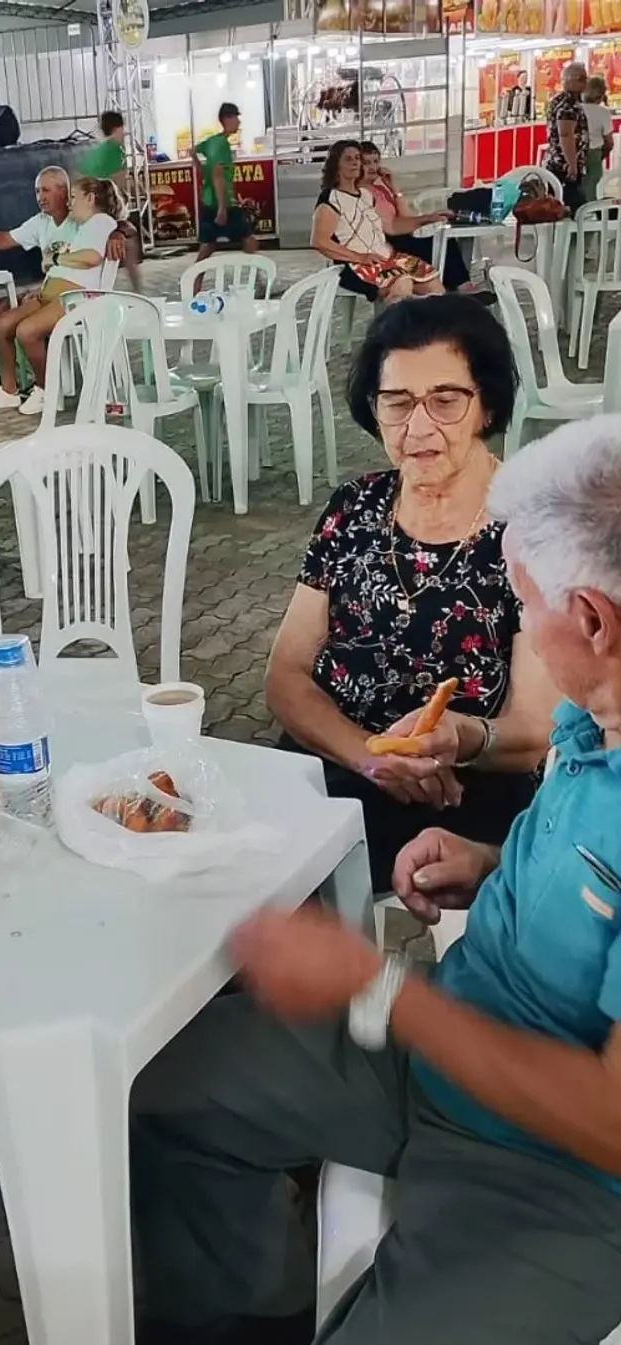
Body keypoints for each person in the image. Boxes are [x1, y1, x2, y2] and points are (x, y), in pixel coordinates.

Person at [132, 414, 621, 1345]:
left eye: (523, 602)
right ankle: (243, 1314)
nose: (515, 620)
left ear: (593, 620)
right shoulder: (595, 712)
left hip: (565, 1174)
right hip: (440, 1046)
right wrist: (488, 864)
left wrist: (376, 988)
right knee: (166, 1088)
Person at [266, 295, 557, 890]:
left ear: (488, 404)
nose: (417, 428)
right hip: (336, 762)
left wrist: (457, 739)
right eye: (396, 403)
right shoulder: (352, 508)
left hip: (460, 789)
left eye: (446, 401)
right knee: (227, 880)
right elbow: (286, 675)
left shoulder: (535, 528)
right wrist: (371, 758)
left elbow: (533, 729)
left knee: (298, 909)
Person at [0, 165, 128, 397]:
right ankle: (8, 389)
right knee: (2, 319)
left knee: (25, 329)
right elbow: (4, 239)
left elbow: (116, 224)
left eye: (45, 191)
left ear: (65, 193)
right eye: (36, 192)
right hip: (49, 291)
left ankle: (46, 387)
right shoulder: (43, 222)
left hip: (74, 296)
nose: (40, 197)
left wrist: (119, 232)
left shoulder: (86, 219)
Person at [311, 140, 444, 303]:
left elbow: (392, 228)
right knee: (402, 284)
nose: (354, 162)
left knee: (434, 285)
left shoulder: (366, 196)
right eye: (348, 159)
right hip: (354, 265)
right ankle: (395, 327)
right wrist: (360, 257)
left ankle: (432, 327)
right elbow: (319, 241)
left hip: (387, 257)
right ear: (336, 165)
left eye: (358, 158)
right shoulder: (331, 198)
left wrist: (429, 218)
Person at [359, 141, 490, 300]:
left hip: (400, 234)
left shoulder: (380, 189)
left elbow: (406, 216)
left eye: (375, 161)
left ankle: (461, 287)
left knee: (444, 241)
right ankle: (458, 289)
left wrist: (395, 189)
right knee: (436, 244)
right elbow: (389, 227)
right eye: (366, 163)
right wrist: (427, 219)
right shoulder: (361, 193)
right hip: (384, 242)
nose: (372, 167)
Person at [80, 110, 144, 292]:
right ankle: (137, 291)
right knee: (129, 243)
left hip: (90, 211)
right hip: (109, 209)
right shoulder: (116, 149)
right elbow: (120, 181)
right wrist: (133, 195)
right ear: (119, 128)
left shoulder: (96, 152)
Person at [193, 102, 259, 265]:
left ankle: (194, 283)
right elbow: (218, 176)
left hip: (209, 201)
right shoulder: (221, 145)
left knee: (207, 246)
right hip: (224, 203)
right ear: (226, 119)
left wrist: (203, 171)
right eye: (236, 117)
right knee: (248, 239)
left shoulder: (212, 141)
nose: (239, 122)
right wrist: (222, 208)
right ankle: (258, 278)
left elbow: (193, 151)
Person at [544, 61, 589, 213]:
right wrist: (572, 163)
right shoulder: (568, 105)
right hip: (565, 164)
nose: (585, 82)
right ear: (571, 79)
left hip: (556, 161)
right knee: (577, 206)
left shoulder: (557, 100)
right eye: (582, 78)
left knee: (556, 203)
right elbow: (566, 134)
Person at [583, 75, 614, 200]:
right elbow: (609, 141)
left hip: (575, 151)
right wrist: (603, 154)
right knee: (593, 186)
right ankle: (590, 213)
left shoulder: (575, 108)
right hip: (595, 151)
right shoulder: (603, 112)